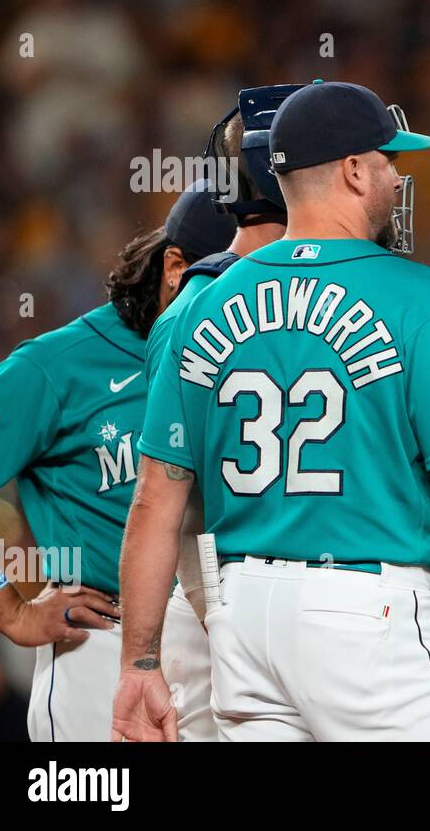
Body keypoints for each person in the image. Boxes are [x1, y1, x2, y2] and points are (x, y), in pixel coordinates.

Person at [113, 80, 430, 741]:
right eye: (389, 161)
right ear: (355, 171)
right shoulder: (422, 297)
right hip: (365, 612)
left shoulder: (197, 303)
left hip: (243, 614)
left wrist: (140, 661)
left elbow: (157, 500)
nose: (397, 178)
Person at [0, 182, 233, 740]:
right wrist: (10, 612)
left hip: (228, 648)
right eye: (231, 278)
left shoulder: (244, 357)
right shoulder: (57, 365)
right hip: (102, 645)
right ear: (175, 269)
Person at [144, 84, 301, 741]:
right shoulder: (206, 304)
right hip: (227, 617)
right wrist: (219, 608)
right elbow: (175, 504)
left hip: (277, 610)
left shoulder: (201, 305)